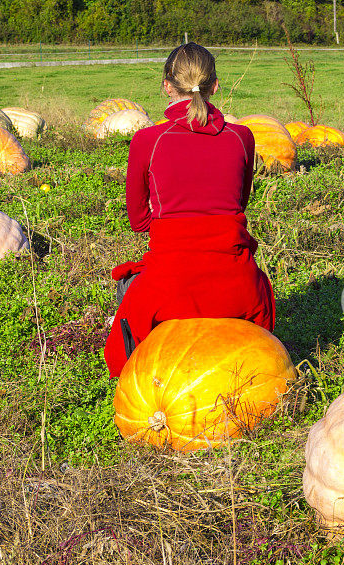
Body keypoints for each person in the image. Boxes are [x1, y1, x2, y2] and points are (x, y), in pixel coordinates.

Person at [104, 42, 275, 377]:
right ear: (214, 86)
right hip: (235, 287)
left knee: (132, 295)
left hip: (169, 286)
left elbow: (139, 222)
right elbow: (238, 205)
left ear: (167, 86)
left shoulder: (147, 140)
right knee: (259, 289)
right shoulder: (243, 137)